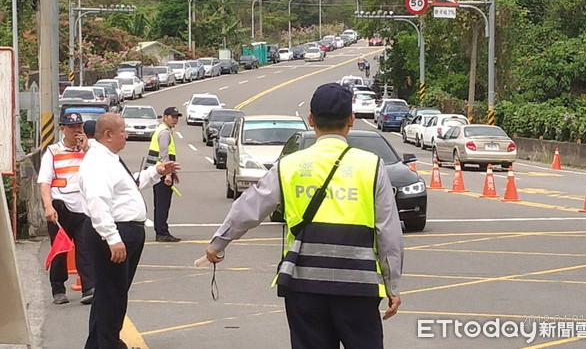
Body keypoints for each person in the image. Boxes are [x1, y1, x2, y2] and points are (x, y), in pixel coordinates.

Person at [205, 83, 404, 348]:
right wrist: (393, 286)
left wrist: (219, 242)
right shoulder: (371, 165)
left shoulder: (289, 164)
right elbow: (388, 232)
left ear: (311, 120)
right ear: (351, 120)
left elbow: (250, 207)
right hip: (358, 287)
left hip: (304, 285)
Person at [79, 112, 179, 349]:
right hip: (114, 231)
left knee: (111, 293)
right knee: (112, 295)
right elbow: (97, 201)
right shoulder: (97, 162)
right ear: (108, 135)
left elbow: (128, 187)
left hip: (124, 230)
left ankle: (98, 343)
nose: (126, 135)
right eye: (122, 130)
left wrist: (156, 172)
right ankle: (109, 344)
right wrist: (112, 238)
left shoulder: (109, 157)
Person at [37, 112, 95, 305]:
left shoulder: (89, 150)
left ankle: (89, 287)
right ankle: (58, 290)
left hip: (84, 207)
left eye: (79, 127)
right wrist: (48, 206)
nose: (77, 131)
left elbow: (101, 166)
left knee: (85, 247)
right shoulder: (53, 152)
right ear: (62, 129)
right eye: (72, 128)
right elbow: (44, 182)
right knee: (60, 250)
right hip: (61, 208)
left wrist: (86, 148)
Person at [146, 106, 182, 242]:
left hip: (161, 172)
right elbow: (164, 154)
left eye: (177, 117)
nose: (175, 120)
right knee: (162, 204)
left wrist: (173, 172)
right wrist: (167, 174)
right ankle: (162, 232)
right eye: (173, 117)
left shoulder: (164, 130)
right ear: (164, 117)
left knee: (161, 203)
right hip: (161, 172)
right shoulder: (164, 132)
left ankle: (161, 230)